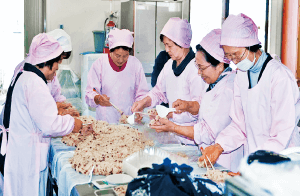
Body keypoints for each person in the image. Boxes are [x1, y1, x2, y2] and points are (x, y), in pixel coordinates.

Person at [199, 13, 300, 166]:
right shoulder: (242, 75)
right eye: (229, 57)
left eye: (237, 55)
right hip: (254, 159)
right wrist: (219, 146)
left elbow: (281, 135)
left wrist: (255, 164)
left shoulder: (279, 77)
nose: (235, 61)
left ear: (251, 45)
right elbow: (240, 124)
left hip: (281, 161)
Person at [150, 29, 243, 172]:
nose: (199, 73)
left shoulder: (227, 89)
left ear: (219, 65)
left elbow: (207, 132)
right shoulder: (213, 82)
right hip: (207, 156)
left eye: (201, 68)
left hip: (223, 161)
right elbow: (202, 104)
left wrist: (173, 127)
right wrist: (188, 105)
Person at [2, 33, 82, 196]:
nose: (58, 68)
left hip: (21, 149)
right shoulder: (34, 83)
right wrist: (73, 124)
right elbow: (49, 124)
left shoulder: (28, 76)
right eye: (57, 63)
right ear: (47, 62)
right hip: (26, 154)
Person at [131, 17, 205, 145]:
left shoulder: (196, 69)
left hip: (192, 138)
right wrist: (144, 102)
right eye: (165, 45)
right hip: (173, 134)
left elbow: (198, 109)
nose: (166, 50)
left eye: (169, 45)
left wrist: (169, 114)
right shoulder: (169, 65)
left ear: (182, 43)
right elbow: (159, 92)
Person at [85, 28, 149, 123]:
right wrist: (98, 99)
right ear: (110, 51)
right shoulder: (99, 65)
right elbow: (90, 92)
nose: (121, 60)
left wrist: (140, 107)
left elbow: (142, 93)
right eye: (117, 55)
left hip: (129, 119)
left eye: (125, 56)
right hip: (105, 121)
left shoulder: (135, 64)